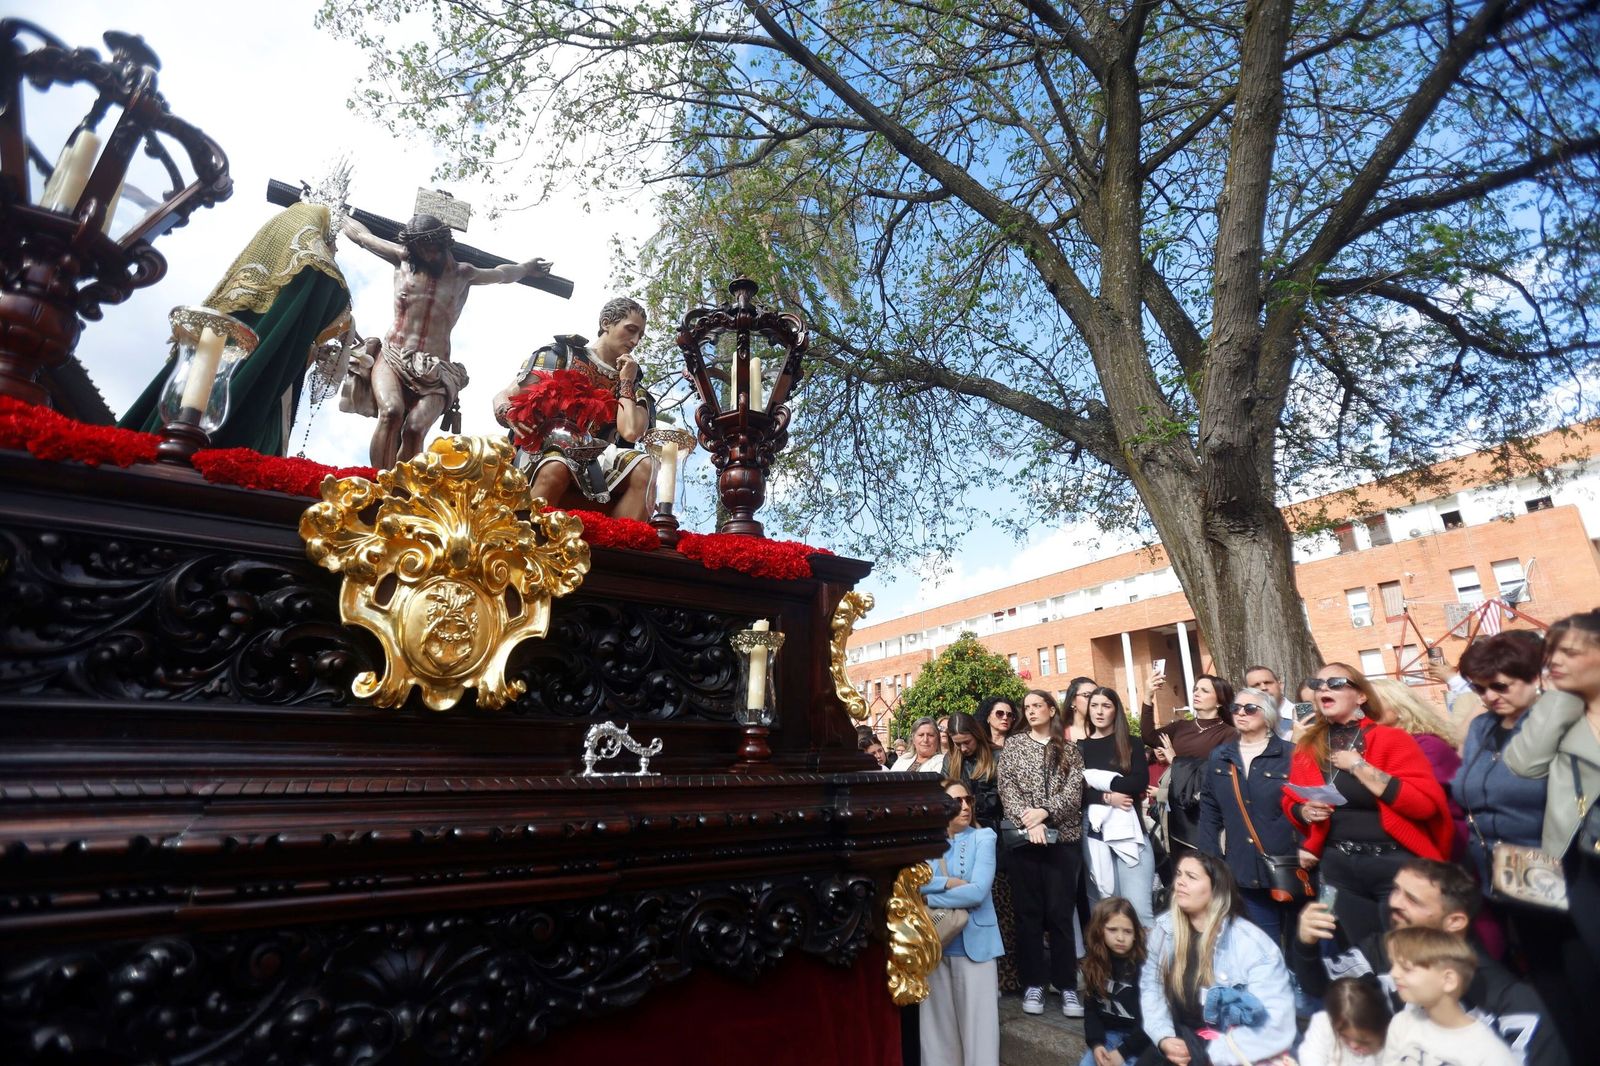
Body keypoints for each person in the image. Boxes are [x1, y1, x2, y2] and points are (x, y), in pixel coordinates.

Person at [121, 201, 354, 455]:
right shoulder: (312, 274)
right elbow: (329, 291)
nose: (334, 248)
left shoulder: (242, 292)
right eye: (330, 239)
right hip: (247, 402)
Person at [1292, 857, 1568, 1066]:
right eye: (1396, 890)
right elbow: (1321, 986)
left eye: (1412, 899)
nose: (1395, 903)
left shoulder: (1511, 1002)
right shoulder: (1381, 947)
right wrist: (1306, 943)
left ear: (1454, 921)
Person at [341, 212, 552, 468]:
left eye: (430, 249)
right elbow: (362, 237)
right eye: (419, 250)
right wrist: (339, 212)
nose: (425, 256)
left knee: (415, 428)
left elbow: (502, 274)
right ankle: (378, 479)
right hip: (394, 355)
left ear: (442, 244)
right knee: (391, 412)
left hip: (436, 368)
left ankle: (402, 485)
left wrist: (526, 268)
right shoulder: (403, 259)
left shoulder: (464, 274)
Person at [1285, 664, 1453, 945]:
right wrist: (1304, 811)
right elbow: (1291, 800)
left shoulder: (1391, 738)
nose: (1323, 688)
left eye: (1335, 683)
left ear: (1361, 696)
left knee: (1410, 950)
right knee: (1360, 953)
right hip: (1338, 866)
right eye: (1317, 684)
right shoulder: (1308, 747)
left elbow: (1424, 805)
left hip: (1394, 865)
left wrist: (1360, 767)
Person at [1505, 609, 1600, 1056]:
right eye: (1552, 652)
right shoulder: (1561, 710)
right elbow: (1523, 763)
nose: (1554, 660)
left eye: (1570, 652)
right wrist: (1561, 698)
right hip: (1581, 860)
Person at [492, 297, 657, 520]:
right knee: (558, 466)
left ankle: (622, 539)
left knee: (646, 466)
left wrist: (626, 381)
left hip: (599, 459)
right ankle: (526, 534)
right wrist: (505, 410)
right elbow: (506, 394)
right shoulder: (562, 355)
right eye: (631, 330)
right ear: (606, 323)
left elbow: (630, 432)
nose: (635, 341)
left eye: (640, 335)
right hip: (545, 449)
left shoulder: (634, 384)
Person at [1455, 634, 1558, 969]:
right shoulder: (1482, 727)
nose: (1489, 696)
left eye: (1500, 686)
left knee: (1575, 971)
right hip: (1499, 871)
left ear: (1533, 677)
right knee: (1540, 970)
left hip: (1554, 869)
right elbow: (1465, 788)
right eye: (1479, 688)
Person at [1139, 853, 1297, 1066]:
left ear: (1215, 890)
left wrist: (1209, 1054)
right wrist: (1164, 1037)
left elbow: (1274, 1023)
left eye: (1191, 877)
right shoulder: (1164, 930)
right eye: (1179, 874)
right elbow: (1151, 987)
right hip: (1183, 1040)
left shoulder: (1253, 945)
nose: (1180, 882)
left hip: (1231, 1051)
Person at [997, 689, 1087, 1018]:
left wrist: (1045, 813)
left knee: (1061, 915)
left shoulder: (1070, 750)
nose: (1031, 711)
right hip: (1025, 840)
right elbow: (1007, 786)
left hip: (1063, 840)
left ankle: (1066, 985)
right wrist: (1029, 820)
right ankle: (1033, 982)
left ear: (1051, 709)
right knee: (1028, 914)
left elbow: (1073, 792)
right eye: (1027, 707)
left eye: (1037, 705)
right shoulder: (1014, 745)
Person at [1196, 687, 1299, 947]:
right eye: (1236, 708)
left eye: (1250, 708)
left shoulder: (1292, 754)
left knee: (1301, 947)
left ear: (1269, 716)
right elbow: (1209, 811)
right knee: (1262, 947)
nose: (1241, 713)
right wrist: (1211, 860)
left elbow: (1308, 806)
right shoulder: (1220, 757)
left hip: (1291, 866)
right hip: (1243, 870)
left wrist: (1309, 849)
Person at [919, 778, 1002, 1066]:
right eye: (957, 802)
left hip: (976, 947)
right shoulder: (927, 843)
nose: (965, 807)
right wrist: (948, 883)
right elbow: (914, 884)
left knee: (980, 1038)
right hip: (936, 944)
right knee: (937, 1037)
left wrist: (930, 897)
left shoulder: (984, 837)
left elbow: (978, 891)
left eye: (969, 800)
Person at [1383, 927, 1517, 1066]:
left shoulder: (1490, 1053)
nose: (1393, 973)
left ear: (1449, 980)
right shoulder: (1402, 1024)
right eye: (1393, 964)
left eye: (1406, 968)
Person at [1080, 687, 1156, 926]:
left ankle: (1149, 952)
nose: (1099, 712)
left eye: (1106, 706)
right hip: (1094, 833)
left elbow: (1139, 782)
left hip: (1131, 831)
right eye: (1094, 706)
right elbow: (1076, 792)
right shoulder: (1079, 747)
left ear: (1116, 711)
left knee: (1139, 912)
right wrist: (1107, 797)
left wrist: (1099, 782)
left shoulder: (1131, 742)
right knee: (1105, 913)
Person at [1142, 670, 1237, 857]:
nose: (1196, 693)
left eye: (1204, 690)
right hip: (1176, 808)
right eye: (1195, 689)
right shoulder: (1181, 727)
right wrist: (1148, 695)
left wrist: (1175, 760)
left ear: (1219, 701)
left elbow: (1215, 771)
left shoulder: (1230, 733)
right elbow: (1149, 736)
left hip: (1205, 811)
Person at [1080, 897, 1151, 1066]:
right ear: (1100, 930)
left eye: (1127, 931)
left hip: (1140, 1040)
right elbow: (1091, 1011)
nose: (1120, 937)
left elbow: (1150, 1020)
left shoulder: (1144, 967)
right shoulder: (1094, 964)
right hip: (1108, 1036)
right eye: (1112, 930)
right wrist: (1096, 1044)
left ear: (1136, 934)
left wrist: (1123, 1052)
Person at [1298, 978, 1390, 1066]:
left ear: (1381, 1031)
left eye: (1363, 1041)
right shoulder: (1323, 1023)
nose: (1353, 1045)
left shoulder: (1389, 1045)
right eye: (1344, 1036)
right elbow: (1310, 1054)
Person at [948, 712, 1002, 828]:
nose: (963, 748)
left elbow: (1000, 796)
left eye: (967, 742)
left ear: (977, 735)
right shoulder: (950, 759)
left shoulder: (997, 756)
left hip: (989, 822)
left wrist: (969, 803)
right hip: (958, 823)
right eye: (957, 744)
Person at [1245, 665, 1297, 742]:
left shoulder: (1302, 716)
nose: (1263, 688)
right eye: (1256, 685)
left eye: (1268, 682)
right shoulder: (1244, 722)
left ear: (1280, 685)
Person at [1066, 677, 1098, 742]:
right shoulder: (1058, 735)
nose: (1094, 701)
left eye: (1096, 696)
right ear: (1073, 700)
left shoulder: (1107, 732)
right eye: (1087, 696)